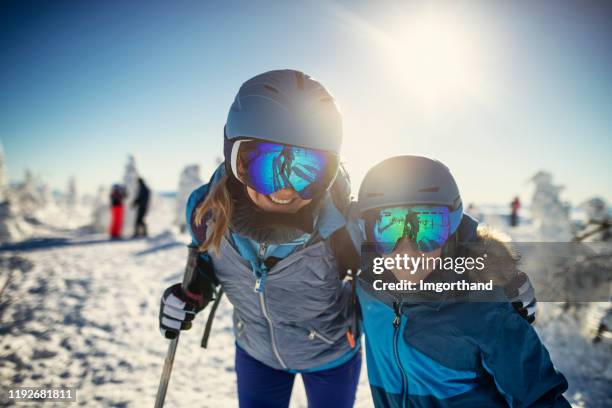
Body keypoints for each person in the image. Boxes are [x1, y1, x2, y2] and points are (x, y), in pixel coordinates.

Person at [158, 70, 362, 408]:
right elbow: (207, 263)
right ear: (233, 159)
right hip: (257, 354)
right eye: (266, 165)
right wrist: (190, 293)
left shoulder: (344, 227)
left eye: (306, 171)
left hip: (331, 354)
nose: (285, 188)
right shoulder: (207, 213)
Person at [354, 156, 568, 407]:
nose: (408, 252)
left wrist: (498, 273)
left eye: (428, 228)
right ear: (367, 232)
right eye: (388, 228)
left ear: (453, 228)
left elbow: (541, 398)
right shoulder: (367, 287)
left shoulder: (485, 309)